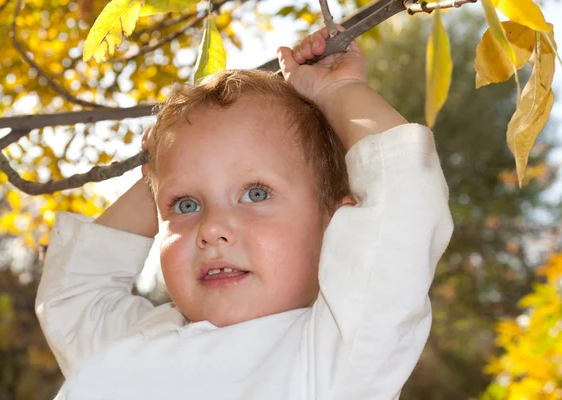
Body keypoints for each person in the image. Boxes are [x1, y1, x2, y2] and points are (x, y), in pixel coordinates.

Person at [36, 27, 453, 399]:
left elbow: (403, 202)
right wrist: (162, 168)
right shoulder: (137, 339)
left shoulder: (335, 355)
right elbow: (71, 297)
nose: (212, 228)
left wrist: (339, 90)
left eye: (256, 194)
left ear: (336, 225)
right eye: (186, 205)